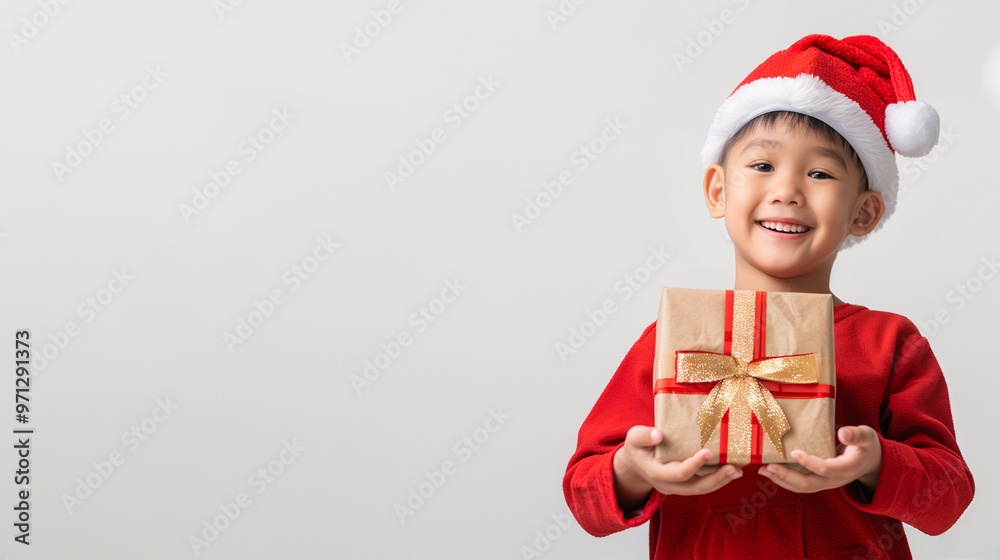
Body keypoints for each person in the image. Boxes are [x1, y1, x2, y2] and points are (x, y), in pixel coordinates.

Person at [562, 34, 974, 560]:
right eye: (762, 166)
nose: (787, 190)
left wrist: (875, 465)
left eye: (820, 173)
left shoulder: (890, 343)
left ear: (864, 212)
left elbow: (949, 497)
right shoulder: (672, 341)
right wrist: (631, 470)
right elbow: (584, 496)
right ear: (717, 191)